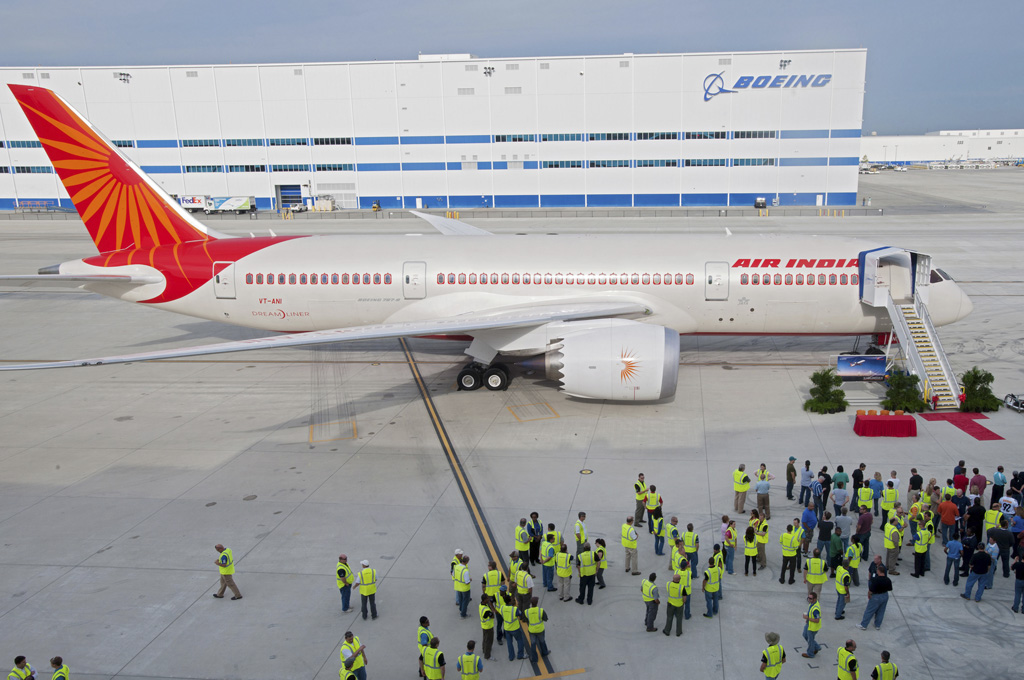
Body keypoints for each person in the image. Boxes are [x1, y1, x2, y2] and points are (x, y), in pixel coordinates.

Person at [858, 565, 892, 630]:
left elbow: (870, 590)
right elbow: (890, 589)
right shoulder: (888, 580)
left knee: (869, 611)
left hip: (876, 596)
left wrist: (869, 595)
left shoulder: (876, 580)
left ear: (879, 571)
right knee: (881, 611)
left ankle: (864, 625)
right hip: (885, 595)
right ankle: (877, 625)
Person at [498, 593, 526, 661]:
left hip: (507, 628)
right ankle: (520, 655)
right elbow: (520, 614)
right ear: (510, 601)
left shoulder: (502, 608)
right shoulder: (514, 609)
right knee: (520, 640)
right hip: (515, 628)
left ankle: (511, 656)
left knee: (509, 643)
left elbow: (501, 613)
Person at [525, 596, 550, 661]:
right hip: (540, 629)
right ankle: (544, 652)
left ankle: (534, 658)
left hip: (532, 630)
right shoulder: (540, 610)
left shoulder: (527, 611)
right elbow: (545, 619)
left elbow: (526, 619)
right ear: (537, 603)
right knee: (542, 641)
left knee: (533, 644)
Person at [800, 592, 822, 658]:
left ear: (815, 599)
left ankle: (810, 653)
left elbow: (817, 620)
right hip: (809, 624)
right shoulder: (811, 604)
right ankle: (817, 647)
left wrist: (807, 618)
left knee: (810, 640)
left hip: (813, 627)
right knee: (805, 635)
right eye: (808, 598)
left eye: (810, 598)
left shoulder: (816, 609)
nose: (809, 599)